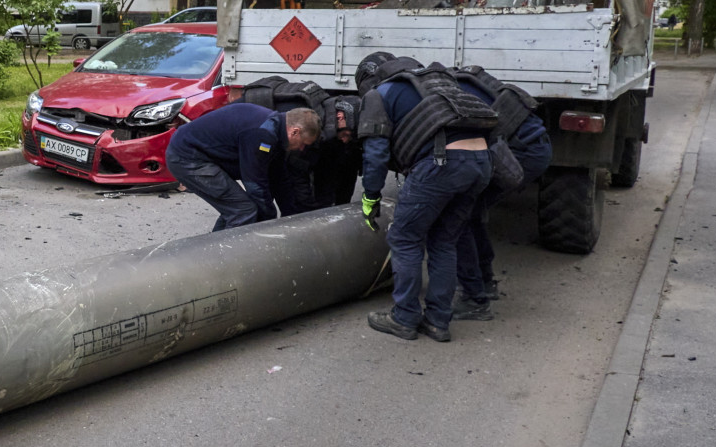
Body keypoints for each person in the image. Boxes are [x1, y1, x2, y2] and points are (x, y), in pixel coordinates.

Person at [356, 52, 496, 342]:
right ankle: (437, 322)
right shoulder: (439, 82)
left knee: (405, 238)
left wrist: (371, 198)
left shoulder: (379, 94)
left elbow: (376, 154)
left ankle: (404, 317)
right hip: (481, 163)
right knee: (444, 241)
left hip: (441, 163)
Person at [450, 66, 553, 321]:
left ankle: (475, 299)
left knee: (456, 218)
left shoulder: (443, 93)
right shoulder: (458, 81)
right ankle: (484, 282)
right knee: (470, 213)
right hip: (533, 146)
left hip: (519, 152)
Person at [166, 103, 321, 231]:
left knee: (237, 206)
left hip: (198, 155)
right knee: (243, 210)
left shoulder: (276, 133)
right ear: (295, 132)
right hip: (187, 158)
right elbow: (254, 182)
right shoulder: (263, 135)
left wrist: (293, 217)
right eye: (303, 144)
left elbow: (279, 179)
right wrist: (270, 221)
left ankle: (212, 250)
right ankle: (223, 261)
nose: (301, 149)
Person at [234, 75, 362, 211]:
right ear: (340, 117)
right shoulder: (309, 126)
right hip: (239, 142)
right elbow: (297, 174)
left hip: (263, 143)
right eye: (346, 134)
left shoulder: (325, 117)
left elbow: (326, 174)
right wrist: (307, 211)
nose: (345, 140)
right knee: (252, 206)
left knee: (268, 201)